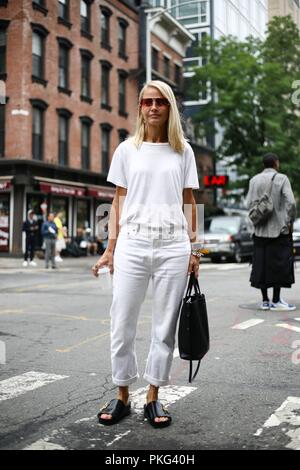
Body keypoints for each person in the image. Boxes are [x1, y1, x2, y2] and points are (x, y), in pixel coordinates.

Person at [92, 80, 202, 428]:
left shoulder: (183, 150)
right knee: (121, 321)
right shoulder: (127, 150)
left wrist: (195, 250)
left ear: (169, 108)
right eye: (146, 102)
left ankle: (153, 395)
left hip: (173, 246)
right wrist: (110, 248)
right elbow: (118, 200)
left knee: (164, 327)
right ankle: (122, 393)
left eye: (160, 102)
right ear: (140, 108)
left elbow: (189, 201)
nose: (153, 107)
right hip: (133, 244)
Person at [246, 153, 297, 311]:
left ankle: (265, 301)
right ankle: (276, 300)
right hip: (278, 231)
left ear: (263, 164)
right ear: (276, 163)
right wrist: (288, 221)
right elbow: (291, 203)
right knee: (279, 265)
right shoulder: (282, 179)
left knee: (261, 266)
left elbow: (249, 203)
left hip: (260, 231)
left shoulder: (254, 180)